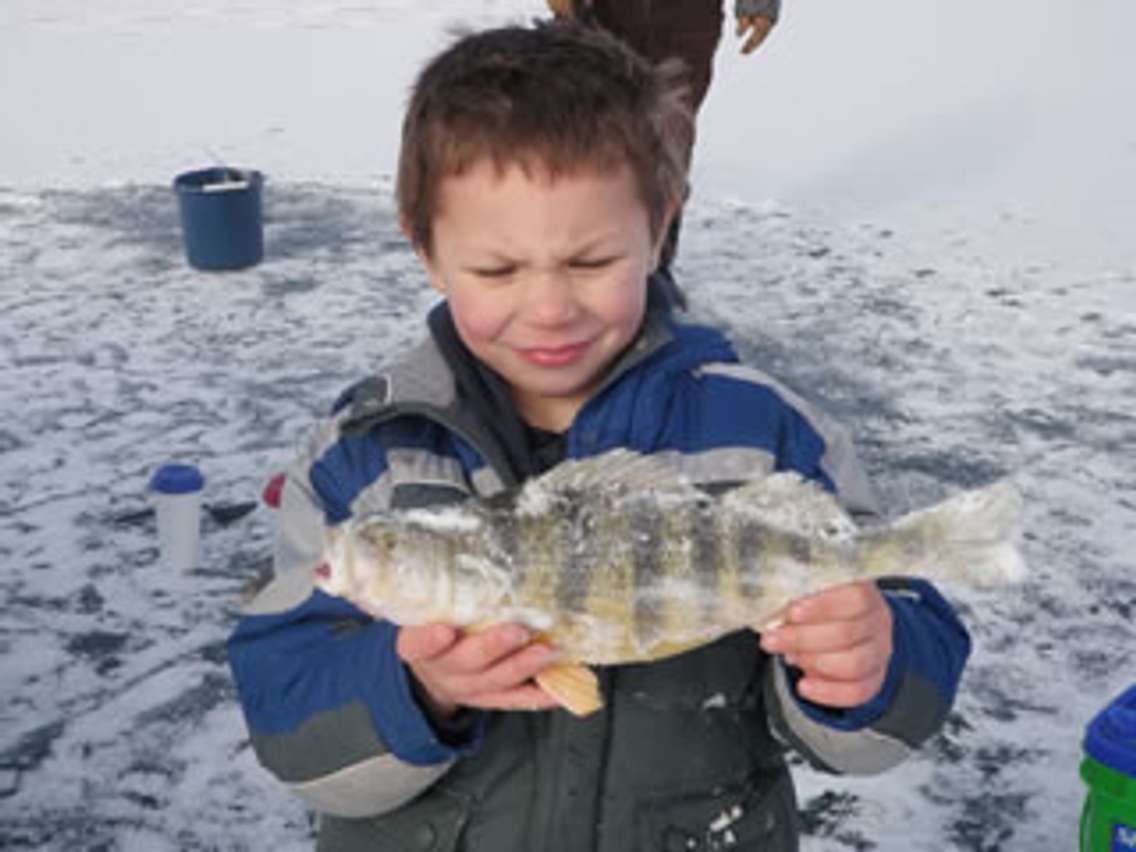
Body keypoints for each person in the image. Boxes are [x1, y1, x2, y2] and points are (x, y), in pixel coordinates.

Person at [227, 21, 971, 851]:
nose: (549, 308)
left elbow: (887, 714)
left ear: (659, 228)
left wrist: (867, 666)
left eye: (589, 263)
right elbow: (285, 717)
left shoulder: (766, 437)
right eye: (498, 270)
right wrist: (414, 687)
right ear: (426, 250)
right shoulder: (362, 457)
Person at [547, 0, 782, 299]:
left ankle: (653, 274)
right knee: (585, 132)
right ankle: (571, 261)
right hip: (596, 13)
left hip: (685, 16)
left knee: (669, 137)